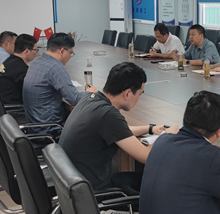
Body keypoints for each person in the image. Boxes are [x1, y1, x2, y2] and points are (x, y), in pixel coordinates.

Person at [59, 62, 178, 195]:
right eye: (140, 94)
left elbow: (120, 131)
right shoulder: (109, 115)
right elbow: (148, 156)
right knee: (159, 185)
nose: (139, 98)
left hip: (75, 185)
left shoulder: (91, 99)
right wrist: (168, 136)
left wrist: (150, 128)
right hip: (95, 194)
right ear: (127, 93)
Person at [22, 33, 96, 129]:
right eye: (70, 53)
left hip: (34, 125)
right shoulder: (55, 67)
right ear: (62, 51)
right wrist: (90, 93)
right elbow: (74, 99)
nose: (70, 56)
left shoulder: (36, 62)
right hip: (51, 128)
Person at [0, 33, 38, 105]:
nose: (37, 53)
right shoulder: (21, 69)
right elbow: (33, 91)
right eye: (35, 50)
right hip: (12, 107)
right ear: (26, 51)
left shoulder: (9, 61)